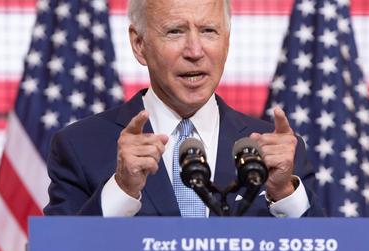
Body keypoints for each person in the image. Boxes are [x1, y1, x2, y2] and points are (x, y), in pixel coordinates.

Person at [43, 0, 323, 217]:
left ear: (227, 40)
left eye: (208, 31)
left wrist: (284, 193)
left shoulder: (277, 151)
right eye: (175, 32)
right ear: (139, 45)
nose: (194, 51)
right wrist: (122, 190)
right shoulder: (80, 146)